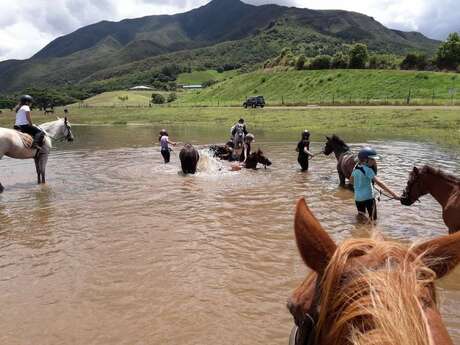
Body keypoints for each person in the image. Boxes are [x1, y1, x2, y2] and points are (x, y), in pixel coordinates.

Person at [350, 147, 399, 221]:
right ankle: (372, 231)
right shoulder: (368, 170)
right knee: (373, 219)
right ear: (365, 160)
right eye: (372, 159)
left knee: (361, 216)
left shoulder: (355, 167)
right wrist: (394, 194)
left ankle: (361, 230)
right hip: (368, 198)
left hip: (358, 198)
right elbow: (379, 183)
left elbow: (351, 180)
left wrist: (360, 184)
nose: (374, 161)